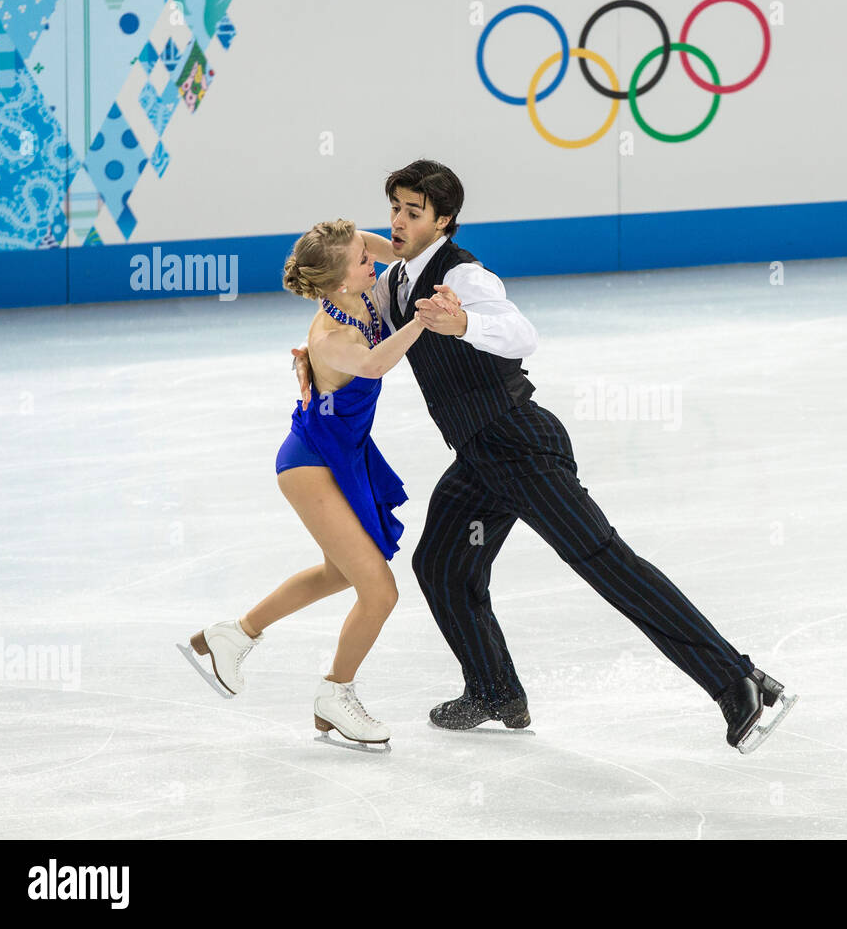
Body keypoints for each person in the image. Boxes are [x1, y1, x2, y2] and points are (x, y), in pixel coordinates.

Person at [293, 161, 794, 752]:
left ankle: (736, 680)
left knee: (606, 563)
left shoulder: (466, 277)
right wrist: (315, 356)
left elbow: (519, 333)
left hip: (519, 443)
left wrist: (462, 324)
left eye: (413, 212)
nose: (398, 222)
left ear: (444, 220)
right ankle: (494, 689)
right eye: (396, 208)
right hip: (479, 458)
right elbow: (346, 291)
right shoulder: (397, 278)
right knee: (441, 565)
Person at [179, 219, 453, 751]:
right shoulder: (332, 337)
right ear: (336, 281)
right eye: (360, 259)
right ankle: (335, 694)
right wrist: (423, 319)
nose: (373, 257)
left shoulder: (359, 290)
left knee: (339, 573)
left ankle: (232, 636)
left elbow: (381, 248)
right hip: (311, 463)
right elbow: (375, 363)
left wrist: (364, 239)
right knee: (378, 590)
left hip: (339, 452)